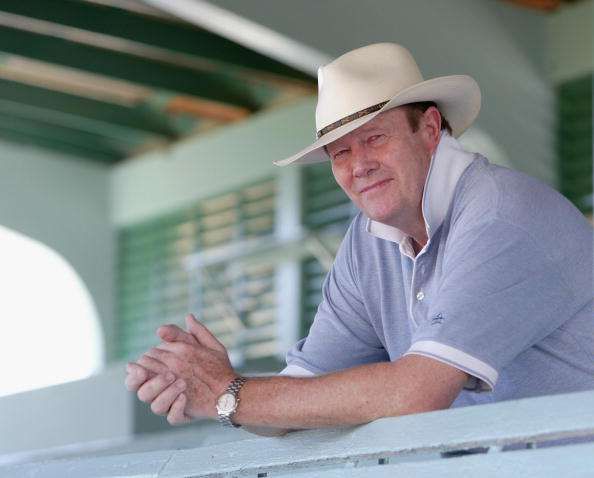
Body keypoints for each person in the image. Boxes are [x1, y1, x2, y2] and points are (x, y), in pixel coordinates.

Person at [125, 43, 594, 434]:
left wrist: (229, 394)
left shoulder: (499, 215)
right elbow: (295, 402)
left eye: (374, 139)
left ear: (430, 129)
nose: (357, 166)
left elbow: (417, 394)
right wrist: (202, 387)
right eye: (340, 152)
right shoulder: (368, 243)